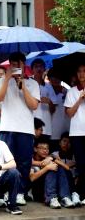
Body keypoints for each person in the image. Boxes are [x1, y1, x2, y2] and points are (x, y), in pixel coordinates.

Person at [0, 52, 40, 206]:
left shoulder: (33, 83)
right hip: (7, 127)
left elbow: (33, 105)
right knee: (5, 162)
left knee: (24, 163)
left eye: (19, 64)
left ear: (24, 64)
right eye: (13, 63)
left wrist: (23, 87)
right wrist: (7, 78)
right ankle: (4, 193)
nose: (16, 66)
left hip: (26, 129)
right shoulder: (2, 80)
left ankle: (20, 192)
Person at [29, 138, 75, 208]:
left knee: (57, 166)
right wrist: (47, 168)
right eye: (42, 148)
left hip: (50, 189)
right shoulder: (31, 160)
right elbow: (32, 178)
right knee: (51, 168)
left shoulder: (49, 158)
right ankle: (52, 198)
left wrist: (54, 159)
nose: (45, 151)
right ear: (35, 149)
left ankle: (65, 198)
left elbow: (67, 168)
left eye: (47, 149)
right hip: (38, 192)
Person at [64, 64, 85, 204]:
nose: (81, 74)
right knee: (81, 164)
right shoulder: (71, 91)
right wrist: (80, 99)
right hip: (77, 132)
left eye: (84, 71)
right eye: (79, 71)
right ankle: (80, 193)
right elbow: (69, 113)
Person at [32, 58, 55, 140]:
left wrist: (49, 102)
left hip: (46, 127)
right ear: (32, 70)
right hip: (30, 126)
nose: (39, 69)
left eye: (41, 66)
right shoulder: (27, 84)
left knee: (44, 151)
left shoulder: (49, 86)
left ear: (44, 69)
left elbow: (53, 110)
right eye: (36, 66)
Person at [48, 68, 70, 152]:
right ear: (49, 78)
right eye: (53, 77)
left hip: (65, 131)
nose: (55, 80)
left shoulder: (67, 92)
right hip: (51, 133)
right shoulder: (46, 91)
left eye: (58, 77)